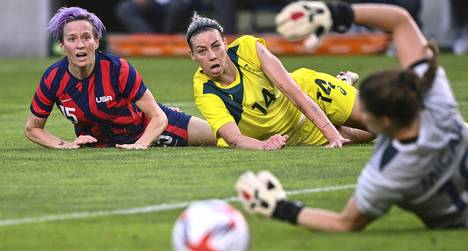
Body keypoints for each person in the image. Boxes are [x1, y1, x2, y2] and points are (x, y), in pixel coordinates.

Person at [236, 2, 468, 230]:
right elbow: (401, 21)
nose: (360, 112)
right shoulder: (435, 100)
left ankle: (341, 84)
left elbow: (344, 222)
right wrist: (336, 14)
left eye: (365, 111)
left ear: (385, 121)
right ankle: (342, 83)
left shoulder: (388, 171)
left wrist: (279, 208)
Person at [24, 6, 216, 149]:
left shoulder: (117, 68)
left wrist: (140, 144)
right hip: (101, 143)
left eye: (86, 37)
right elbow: (32, 128)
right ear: (62, 45)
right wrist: (65, 144)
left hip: (148, 127)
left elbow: (159, 117)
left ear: (97, 42)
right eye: (72, 39)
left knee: (223, 137)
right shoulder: (53, 78)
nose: (80, 45)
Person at [186, 13, 374, 150]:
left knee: (383, 121)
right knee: (372, 133)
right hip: (292, 136)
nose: (212, 56)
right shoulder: (204, 89)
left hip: (312, 94)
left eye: (216, 46)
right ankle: (343, 83)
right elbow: (234, 139)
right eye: (202, 51)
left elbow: (294, 93)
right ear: (193, 56)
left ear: (225, 44)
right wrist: (264, 145)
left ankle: (339, 85)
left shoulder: (248, 48)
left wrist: (332, 134)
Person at [115, 0, 199, 33]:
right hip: (150, 4)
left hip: (177, 4)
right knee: (125, 8)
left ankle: (168, 39)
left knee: (177, 7)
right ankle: (150, 40)